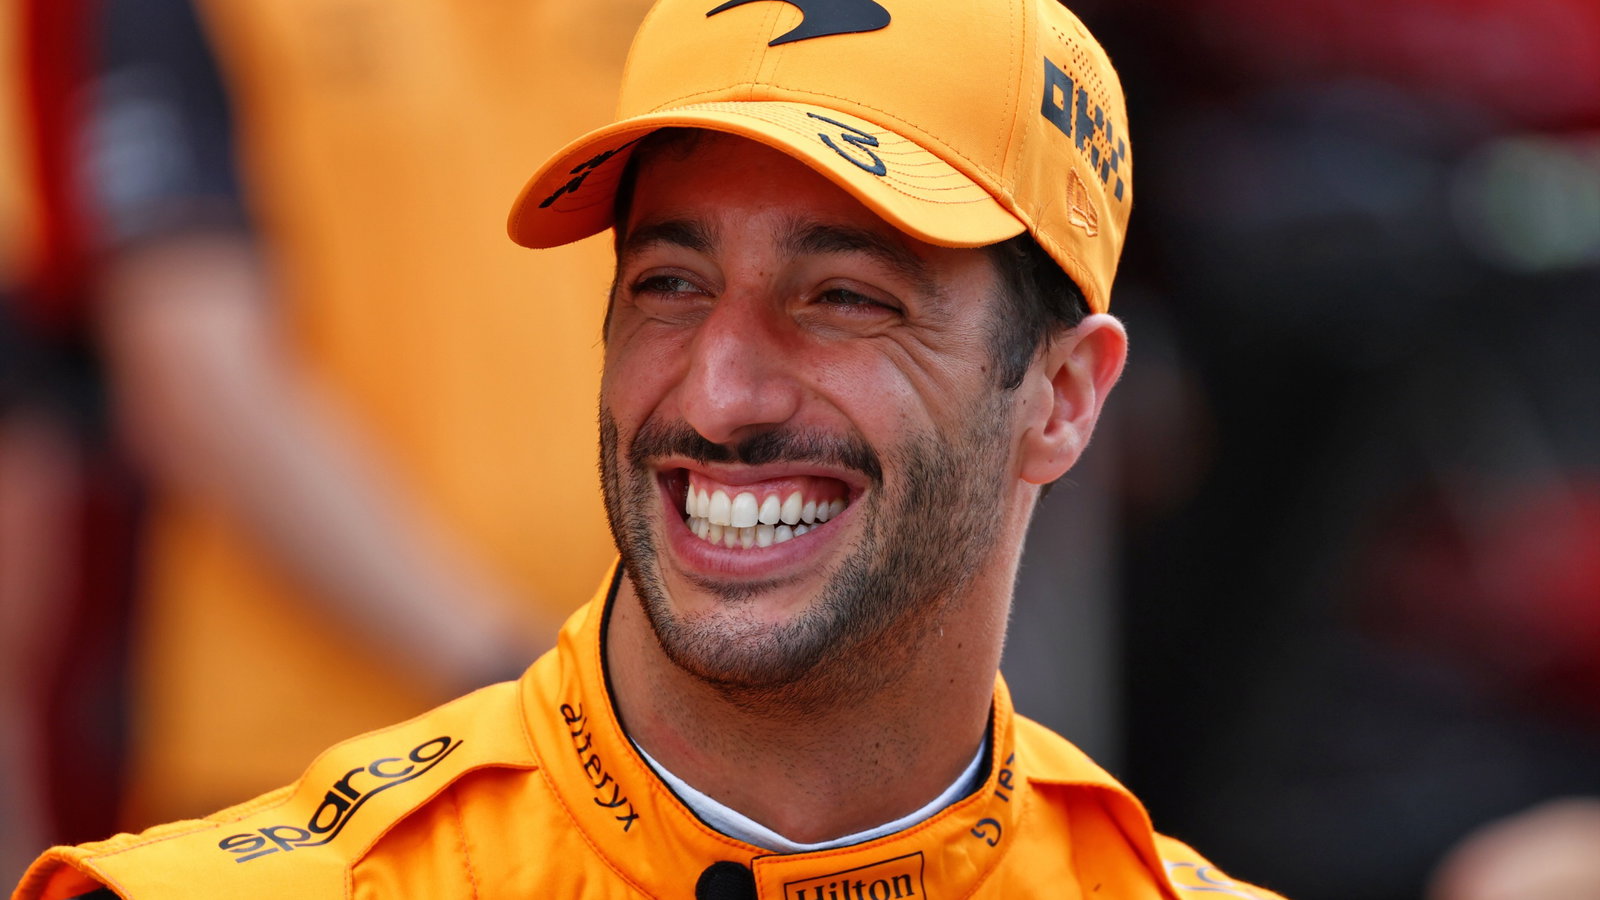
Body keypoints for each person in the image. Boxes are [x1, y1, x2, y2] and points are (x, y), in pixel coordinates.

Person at [14, 0, 1288, 897]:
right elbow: (186, 367)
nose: (721, 393)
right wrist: (488, 669)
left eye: (844, 295)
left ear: (1065, 396)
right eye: (668, 281)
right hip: (282, 755)